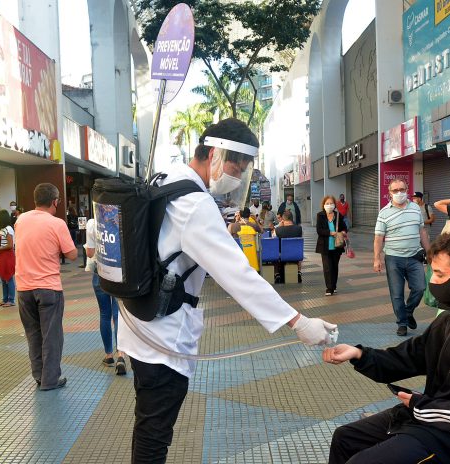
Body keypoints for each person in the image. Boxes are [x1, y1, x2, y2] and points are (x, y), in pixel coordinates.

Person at [117, 118, 337, 463]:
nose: (237, 175)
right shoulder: (195, 204)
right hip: (165, 336)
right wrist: (297, 321)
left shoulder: (166, 178)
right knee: (155, 430)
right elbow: (237, 273)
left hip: (141, 320)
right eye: (237, 165)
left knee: (148, 423)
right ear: (215, 155)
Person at [323, 232, 450, 464]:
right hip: (428, 420)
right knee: (345, 438)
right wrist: (359, 354)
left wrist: (421, 406)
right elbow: (407, 358)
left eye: (440, 274)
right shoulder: (449, 319)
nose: (433, 282)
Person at [15, 183, 78, 391]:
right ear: (55, 201)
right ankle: (50, 380)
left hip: (23, 288)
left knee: (33, 334)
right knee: (51, 336)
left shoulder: (21, 220)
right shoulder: (57, 223)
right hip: (48, 288)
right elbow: (72, 254)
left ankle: (39, 376)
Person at [374, 179, 430, 336]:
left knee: (420, 288)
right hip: (393, 258)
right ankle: (402, 323)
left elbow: (422, 232)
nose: (399, 193)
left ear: (407, 189)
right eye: (395, 190)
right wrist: (377, 258)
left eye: (402, 189)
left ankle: (408, 311)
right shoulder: (384, 212)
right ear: (390, 193)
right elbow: (379, 237)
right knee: (397, 293)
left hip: (414, 256)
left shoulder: (415, 209)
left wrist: (429, 251)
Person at [84, 217, 127, 375]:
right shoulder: (118, 219)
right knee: (118, 315)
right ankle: (121, 355)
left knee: (104, 314)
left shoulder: (92, 224)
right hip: (116, 271)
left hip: (99, 272)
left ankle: (108, 355)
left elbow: (89, 253)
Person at [316, 195, 348, 296]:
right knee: (327, 267)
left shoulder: (339, 215)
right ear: (324, 205)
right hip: (325, 246)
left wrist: (343, 232)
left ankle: (334, 286)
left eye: (331, 203)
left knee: (334, 266)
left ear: (334, 205)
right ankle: (329, 288)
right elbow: (319, 230)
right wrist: (330, 233)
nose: (329, 205)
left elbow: (345, 228)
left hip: (337, 246)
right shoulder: (320, 215)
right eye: (327, 203)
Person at [0, 210, 16, 307]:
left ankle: (11, 300)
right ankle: (5, 299)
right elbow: (2, 243)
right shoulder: (1, 229)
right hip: (1, 255)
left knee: (8, 277)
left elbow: (10, 245)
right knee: (3, 277)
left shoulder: (9, 229)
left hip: (8, 255)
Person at [274, 210, 304, 283]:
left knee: (274, 252)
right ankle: (299, 272)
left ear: (283, 219)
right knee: (299, 251)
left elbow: (273, 239)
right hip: (296, 255)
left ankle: (277, 274)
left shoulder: (278, 230)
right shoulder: (299, 229)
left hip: (282, 255)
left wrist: (279, 226)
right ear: (292, 219)